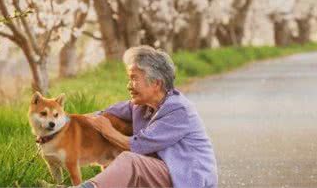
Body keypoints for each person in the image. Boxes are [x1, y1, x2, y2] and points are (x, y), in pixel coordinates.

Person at [79, 45, 218, 188]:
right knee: (116, 157)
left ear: (156, 83)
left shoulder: (179, 110)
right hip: (163, 172)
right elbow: (104, 113)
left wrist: (107, 130)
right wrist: (68, 122)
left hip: (187, 177)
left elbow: (138, 145)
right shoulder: (140, 105)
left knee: (131, 161)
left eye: (134, 78)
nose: (129, 86)